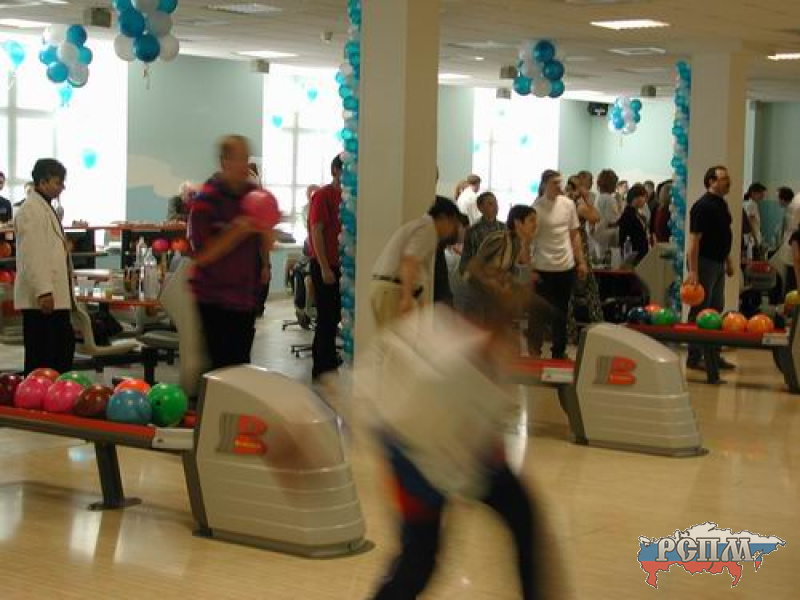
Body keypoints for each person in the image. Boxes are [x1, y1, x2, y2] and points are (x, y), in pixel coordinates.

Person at [188, 135, 274, 370]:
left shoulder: (254, 196)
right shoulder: (206, 200)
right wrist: (237, 230)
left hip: (244, 297)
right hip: (213, 299)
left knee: (241, 367)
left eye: (246, 158)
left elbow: (267, 244)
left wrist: (266, 230)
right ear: (224, 162)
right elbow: (202, 256)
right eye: (238, 158)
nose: (244, 164)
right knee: (220, 368)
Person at [14, 159, 75, 375]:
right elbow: (33, 255)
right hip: (42, 299)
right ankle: (38, 393)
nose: (62, 187)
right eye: (58, 182)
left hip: (54, 297)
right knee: (42, 356)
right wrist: (43, 291)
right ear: (42, 182)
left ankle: (56, 391)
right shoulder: (30, 210)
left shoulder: (45, 207)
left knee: (62, 350)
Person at [370, 197, 462, 327]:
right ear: (443, 217)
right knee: (396, 338)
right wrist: (406, 297)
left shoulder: (422, 227)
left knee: (396, 338)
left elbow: (417, 269)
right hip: (393, 289)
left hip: (389, 288)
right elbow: (409, 261)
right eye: (453, 224)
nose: (452, 231)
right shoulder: (427, 229)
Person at [529, 170, 588, 360]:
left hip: (565, 266)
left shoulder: (568, 205)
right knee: (538, 311)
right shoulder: (536, 207)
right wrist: (530, 266)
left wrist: (581, 262)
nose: (558, 186)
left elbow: (574, 235)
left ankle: (559, 351)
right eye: (554, 183)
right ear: (545, 184)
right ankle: (535, 350)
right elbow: (529, 238)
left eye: (559, 182)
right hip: (543, 266)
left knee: (561, 312)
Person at [686, 166, 735, 371]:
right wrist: (693, 271)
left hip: (718, 263)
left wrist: (728, 260)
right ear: (711, 181)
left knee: (716, 309)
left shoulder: (722, 204)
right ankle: (694, 356)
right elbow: (695, 241)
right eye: (724, 179)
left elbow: (722, 235)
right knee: (701, 309)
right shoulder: (702, 206)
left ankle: (713, 355)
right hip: (704, 263)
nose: (728, 182)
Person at [465, 204, 537, 328]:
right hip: (480, 297)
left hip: (498, 299)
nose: (535, 225)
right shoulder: (499, 239)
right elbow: (473, 267)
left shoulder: (521, 244)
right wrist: (491, 282)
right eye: (532, 220)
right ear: (518, 223)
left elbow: (523, 277)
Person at [308, 155, 344, 381]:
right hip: (325, 265)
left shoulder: (350, 198)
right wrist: (324, 267)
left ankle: (327, 362)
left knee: (334, 318)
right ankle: (323, 369)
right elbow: (317, 231)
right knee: (326, 319)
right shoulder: (323, 196)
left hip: (343, 267)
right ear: (335, 171)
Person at [567, 175, 603, 342]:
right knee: (587, 292)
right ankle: (592, 329)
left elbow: (596, 217)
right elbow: (596, 217)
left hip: (576, 252)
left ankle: (573, 332)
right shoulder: (574, 206)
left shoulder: (575, 205)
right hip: (575, 252)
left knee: (580, 293)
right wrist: (585, 199)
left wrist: (586, 199)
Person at [459, 192, 505, 275]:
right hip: (480, 274)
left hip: (501, 274)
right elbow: (466, 259)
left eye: (496, 203)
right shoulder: (473, 231)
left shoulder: (504, 228)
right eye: (490, 204)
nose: (495, 207)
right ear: (480, 208)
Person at [618, 184, 650, 264]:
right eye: (644, 197)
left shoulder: (637, 214)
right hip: (634, 254)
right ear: (636, 198)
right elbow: (627, 237)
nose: (645, 200)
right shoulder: (628, 215)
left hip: (640, 252)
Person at [592, 169, 621, 257]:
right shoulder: (609, 199)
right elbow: (613, 220)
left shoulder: (599, 197)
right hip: (607, 236)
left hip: (599, 234)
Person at [743, 182, 766, 249]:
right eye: (761, 194)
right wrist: (755, 239)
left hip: (752, 238)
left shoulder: (750, 203)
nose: (762, 197)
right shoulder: (751, 204)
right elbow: (750, 223)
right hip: (752, 239)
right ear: (753, 193)